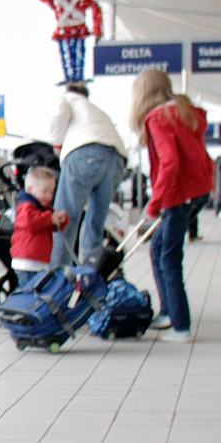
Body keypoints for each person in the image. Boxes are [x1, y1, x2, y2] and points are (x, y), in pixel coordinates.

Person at [129, 68, 213, 342]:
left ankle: (181, 326)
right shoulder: (184, 111)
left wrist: (155, 204)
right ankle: (167, 312)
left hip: (179, 194)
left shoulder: (159, 118)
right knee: (158, 248)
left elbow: (170, 162)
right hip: (197, 191)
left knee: (169, 257)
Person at [47, 82, 126, 268]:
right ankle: (90, 277)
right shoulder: (96, 110)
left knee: (65, 219)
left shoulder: (67, 98)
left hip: (86, 154)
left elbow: (58, 113)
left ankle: (58, 280)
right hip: (116, 159)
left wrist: (56, 144)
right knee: (95, 224)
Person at [9, 166, 68, 283]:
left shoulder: (44, 210)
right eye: (44, 191)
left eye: (51, 192)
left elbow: (51, 227)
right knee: (29, 292)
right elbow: (30, 221)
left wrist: (61, 220)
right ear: (30, 189)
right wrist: (51, 218)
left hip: (40, 261)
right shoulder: (26, 206)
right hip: (27, 262)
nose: (48, 196)